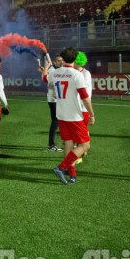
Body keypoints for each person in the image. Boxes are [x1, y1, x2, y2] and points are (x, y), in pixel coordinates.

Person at [41, 47, 94, 185]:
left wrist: (46, 67)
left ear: (63, 59)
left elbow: (44, 78)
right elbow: (84, 97)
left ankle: (72, 175)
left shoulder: (56, 73)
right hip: (74, 116)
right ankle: (61, 167)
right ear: (75, 59)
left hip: (61, 114)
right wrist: (92, 113)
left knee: (69, 145)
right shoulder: (77, 75)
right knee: (85, 146)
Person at [38, 54, 64, 152]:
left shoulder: (56, 70)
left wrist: (44, 70)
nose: (61, 62)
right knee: (55, 121)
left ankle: (64, 142)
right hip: (54, 99)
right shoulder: (53, 70)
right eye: (58, 60)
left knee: (61, 121)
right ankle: (51, 145)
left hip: (59, 99)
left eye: (62, 60)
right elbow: (45, 79)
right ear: (54, 62)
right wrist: (46, 69)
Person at [73, 51, 91, 164]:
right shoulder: (74, 73)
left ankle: (79, 154)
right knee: (78, 131)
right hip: (75, 107)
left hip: (83, 107)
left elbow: (84, 92)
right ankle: (81, 149)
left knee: (81, 131)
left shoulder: (85, 74)